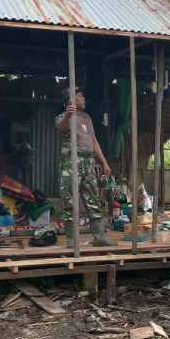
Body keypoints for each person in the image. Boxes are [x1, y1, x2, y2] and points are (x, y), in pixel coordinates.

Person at [55, 87, 116, 247]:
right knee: (69, 200)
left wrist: (103, 162)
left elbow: (93, 141)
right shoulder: (61, 118)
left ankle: (99, 236)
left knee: (93, 199)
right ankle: (72, 240)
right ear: (70, 99)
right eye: (80, 96)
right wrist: (68, 114)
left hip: (88, 162)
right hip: (70, 162)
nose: (84, 99)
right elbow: (63, 127)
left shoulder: (87, 118)